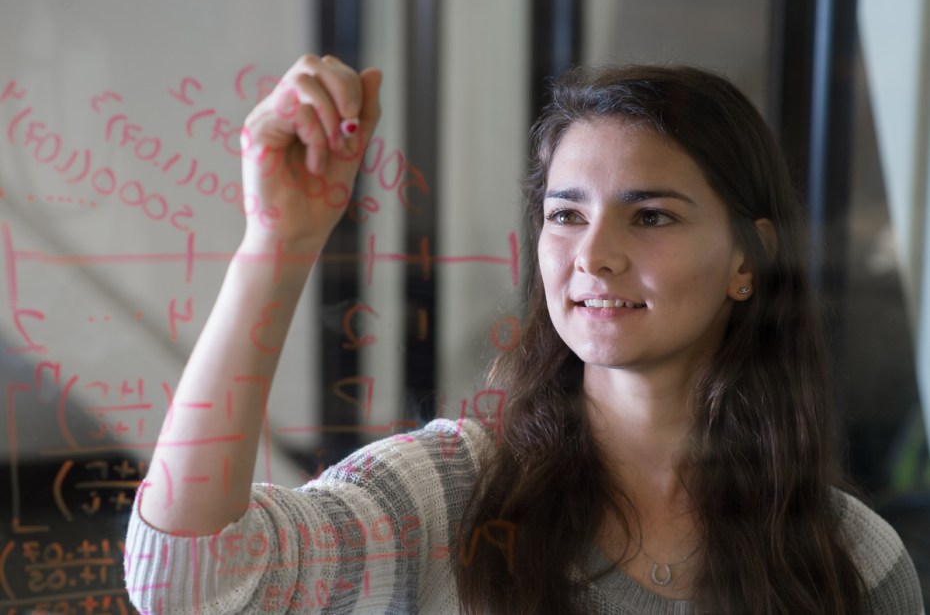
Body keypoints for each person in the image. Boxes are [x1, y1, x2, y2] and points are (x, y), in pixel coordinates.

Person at [124, 55, 924, 614]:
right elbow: (188, 584)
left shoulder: (852, 557)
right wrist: (277, 240)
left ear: (749, 260)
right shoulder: (450, 494)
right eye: (566, 215)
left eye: (650, 216)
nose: (594, 256)